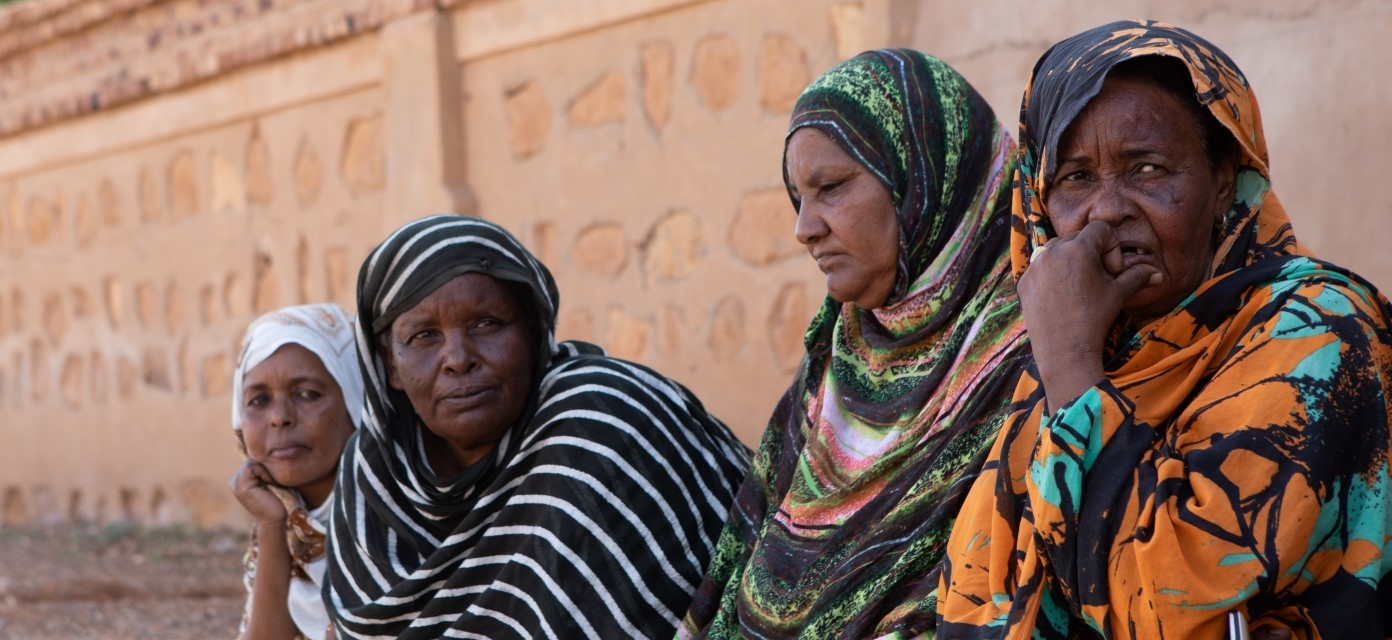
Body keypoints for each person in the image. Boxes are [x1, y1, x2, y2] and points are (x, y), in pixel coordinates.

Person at [939, 20, 1392, 639]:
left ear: (1223, 182)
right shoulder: (1070, 359)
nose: (1107, 208)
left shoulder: (1318, 331)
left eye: (1147, 169)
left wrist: (1071, 366)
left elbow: (1165, 607)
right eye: (1075, 178)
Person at [681, 49, 1030, 638]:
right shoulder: (843, 358)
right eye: (799, 196)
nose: (803, 227)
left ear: (928, 178)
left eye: (832, 187)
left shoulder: (1031, 358)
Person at [322, 214, 751, 638]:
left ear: (532, 331)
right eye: (423, 336)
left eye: (485, 323)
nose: (458, 357)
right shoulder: (372, 477)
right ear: (389, 364)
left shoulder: (599, 424)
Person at [227, 304, 364, 640]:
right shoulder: (287, 515)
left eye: (306, 394)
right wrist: (272, 525)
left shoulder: (403, 513)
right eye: (258, 400)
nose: (280, 417)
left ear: (357, 400)